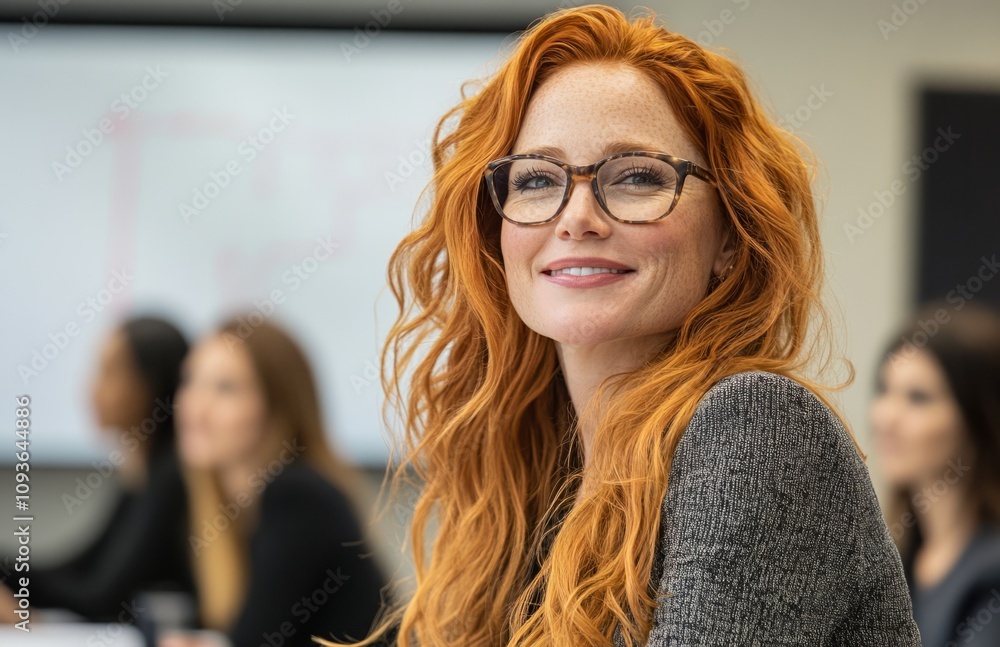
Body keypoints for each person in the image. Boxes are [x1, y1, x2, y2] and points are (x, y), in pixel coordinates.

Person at [335, 5, 921, 646]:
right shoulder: (538, 485)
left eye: (638, 176)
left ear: (729, 235)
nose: (577, 216)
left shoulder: (756, 426)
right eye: (536, 178)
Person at [159, 317, 388, 647]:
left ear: (276, 406)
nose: (195, 406)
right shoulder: (230, 503)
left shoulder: (298, 496)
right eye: (190, 381)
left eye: (225, 388)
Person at [0, 316, 193, 623]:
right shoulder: (143, 471)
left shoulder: (172, 477)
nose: (93, 388)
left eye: (110, 372)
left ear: (151, 384)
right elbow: (80, 566)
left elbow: (101, 598)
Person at [871, 302, 1000, 647]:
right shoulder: (894, 562)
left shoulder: (991, 572)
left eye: (918, 398)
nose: (885, 417)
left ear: (976, 419)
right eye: (885, 391)